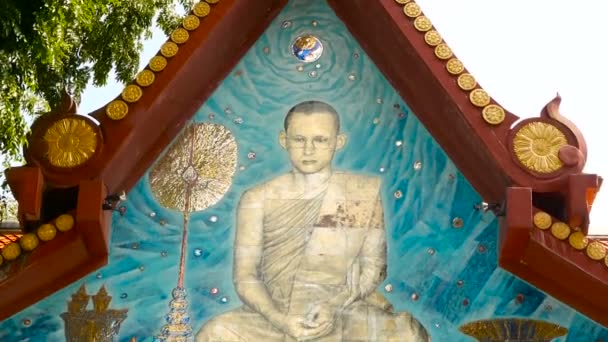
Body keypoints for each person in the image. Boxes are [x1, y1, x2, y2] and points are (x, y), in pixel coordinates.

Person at [196, 101, 429, 341]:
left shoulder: (361, 192)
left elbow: (373, 270)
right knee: (214, 333)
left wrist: (334, 305)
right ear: (284, 141)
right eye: (299, 140)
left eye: (320, 140)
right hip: (273, 315)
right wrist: (282, 321)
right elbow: (245, 277)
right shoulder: (257, 198)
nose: (308, 150)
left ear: (338, 142)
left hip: (342, 310)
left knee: (406, 334)